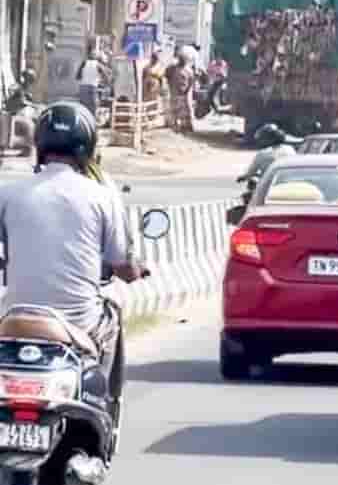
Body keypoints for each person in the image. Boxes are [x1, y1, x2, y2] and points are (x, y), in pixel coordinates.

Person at [0, 100, 147, 434]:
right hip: (79, 323)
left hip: (15, 317)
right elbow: (121, 264)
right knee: (112, 315)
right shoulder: (102, 196)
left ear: (40, 144)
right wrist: (136, 270)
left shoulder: (9, 194)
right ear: (87, 147)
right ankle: (102, 406)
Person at [168, 47, 197, 132]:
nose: (181, 60)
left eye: (183, 59)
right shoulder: (173, 68)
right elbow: (168, 77)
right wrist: (171, 86)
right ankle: (176, 126)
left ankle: (188, 125)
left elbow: (191, 81)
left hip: (186, 92)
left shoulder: (189, 70)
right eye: (180, 59)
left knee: (187, 109)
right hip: (175, 91)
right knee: (175, 109)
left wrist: (187, 90)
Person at [76, 50, 108, 118]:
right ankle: (92, 121)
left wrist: (85, 77)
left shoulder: (84, 63)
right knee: (93, 108)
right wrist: (102, 81)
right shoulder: (98, 65)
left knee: (83, 107)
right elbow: (106, 77)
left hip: (83, 88)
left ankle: (84, 121)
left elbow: (77, 77)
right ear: (97, 58)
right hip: (92, 88)